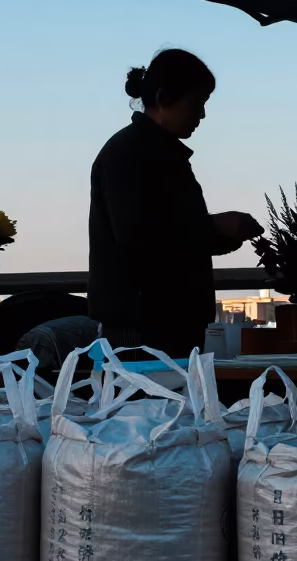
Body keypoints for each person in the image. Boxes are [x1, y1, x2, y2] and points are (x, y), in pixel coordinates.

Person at [88, 48, 263, 359]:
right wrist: (215, 226)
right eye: (197, 104)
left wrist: (221, 236)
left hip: (169, 324)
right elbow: (138, 240)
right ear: (164, 97)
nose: (202, 115)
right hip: (143, 329)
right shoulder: (128, 154)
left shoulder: (156, 151)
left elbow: (175, 235)